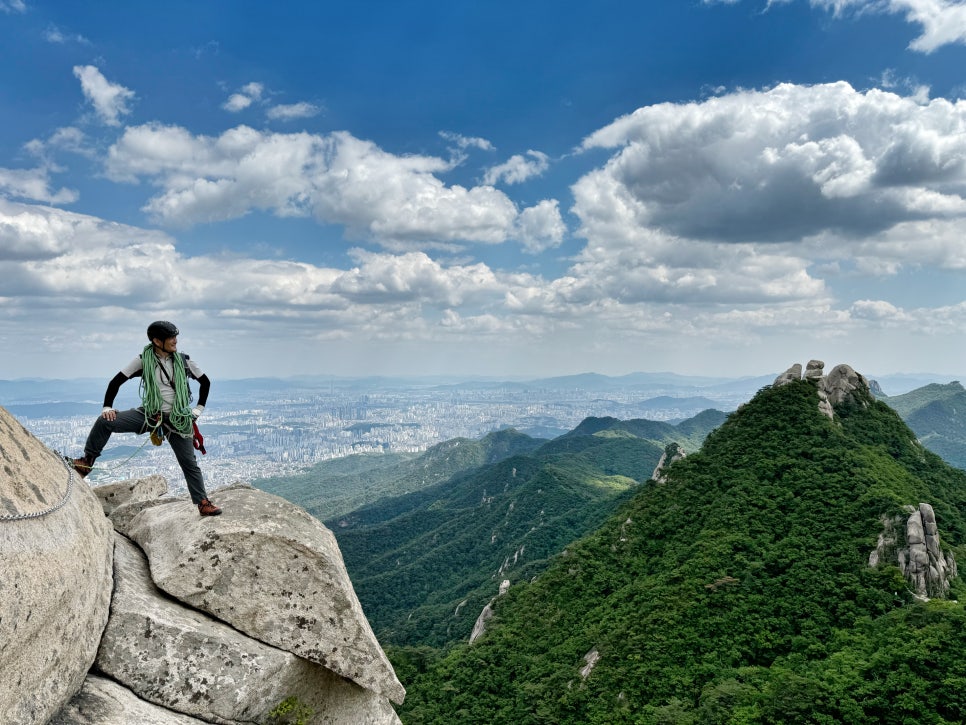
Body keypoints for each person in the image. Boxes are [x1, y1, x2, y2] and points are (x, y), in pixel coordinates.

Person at [72, 321, 222, 516]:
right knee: (105, 422)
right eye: (171, 338)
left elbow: (205, 382)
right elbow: (116, 382)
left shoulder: (184, 362)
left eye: (176, 337)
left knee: (189, 463)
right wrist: (107, 407)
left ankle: (202, 502)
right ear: (157, 341)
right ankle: (86, 462)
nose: (175, 341)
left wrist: (198, 410)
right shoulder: (143, 361)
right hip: (151, 414)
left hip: (178, 418)